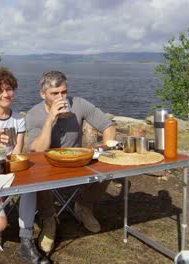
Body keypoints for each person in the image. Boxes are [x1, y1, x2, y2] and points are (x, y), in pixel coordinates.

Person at [26, 71, 116, 253]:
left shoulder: (79, 104)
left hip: (77, 161)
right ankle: (49, 219)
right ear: (43, 94)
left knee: (109, 167)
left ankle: (83, 206)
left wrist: (106, 148)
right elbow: (38, 149)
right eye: (55, 94)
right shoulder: (34, 115)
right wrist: (51, 118)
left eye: (64, 92)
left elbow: (108, 125)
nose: (61, 97)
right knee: (37, 173)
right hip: (48, 164)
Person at [0, 67, 49, 264]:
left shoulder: (18, 120)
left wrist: (11, 153)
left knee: (31, 188)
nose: (6, 94)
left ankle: (26, 240)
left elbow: (17, 155)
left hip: (7, 174)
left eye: (9, 89)